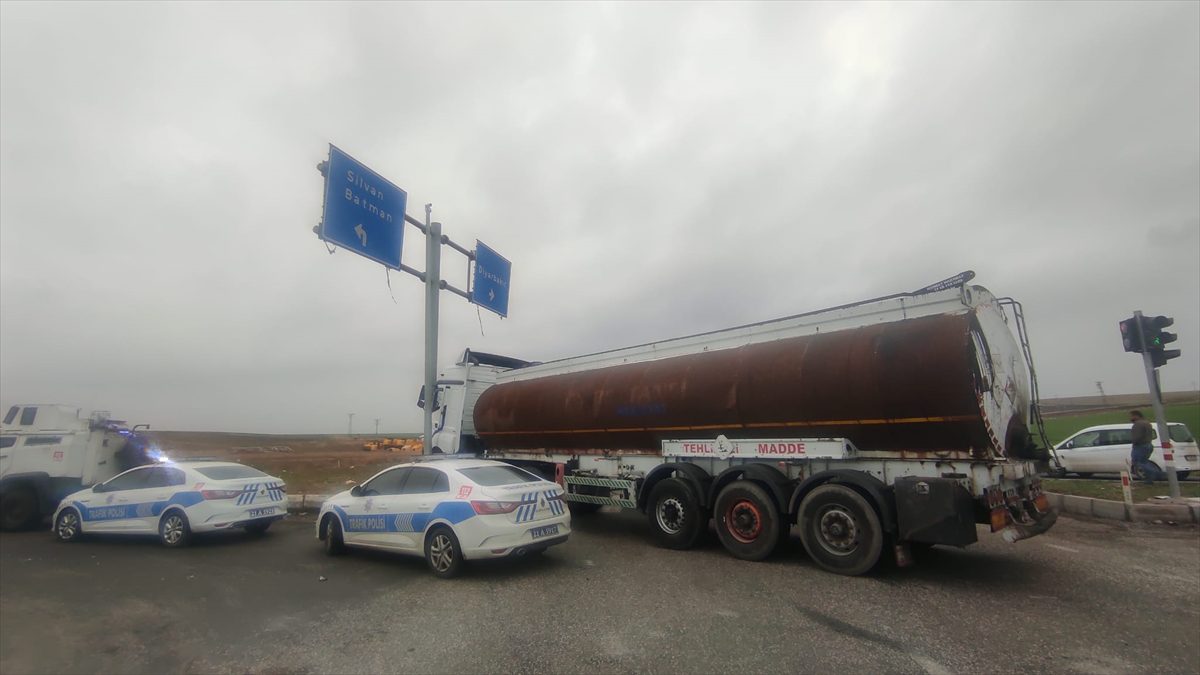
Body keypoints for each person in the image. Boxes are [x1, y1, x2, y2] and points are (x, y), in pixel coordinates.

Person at [1129, 410, 1161, 485]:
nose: (1130, 418)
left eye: (1132, 416)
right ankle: (1149, 480)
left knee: (1139, 462)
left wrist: (1134, 441)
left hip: (1140, 446)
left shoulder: (1138, 424)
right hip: (1148, 444)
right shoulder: (1147, 423)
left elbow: (1137, 436)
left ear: (1136, 416)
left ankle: (1157, 474)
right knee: (1144, 462)